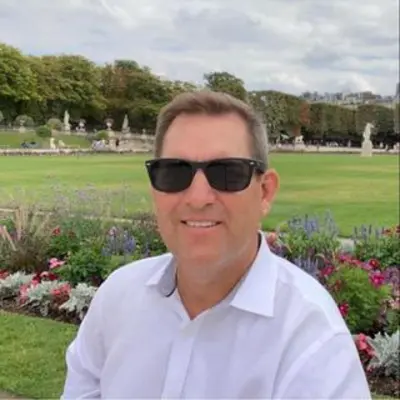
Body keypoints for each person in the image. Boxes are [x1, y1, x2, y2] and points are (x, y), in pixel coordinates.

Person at [61, 90, 371, 399]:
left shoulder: (312, 338)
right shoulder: (116, 297)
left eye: (227, 173)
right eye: (174, 172)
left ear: (265, 192)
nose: (198, 198)